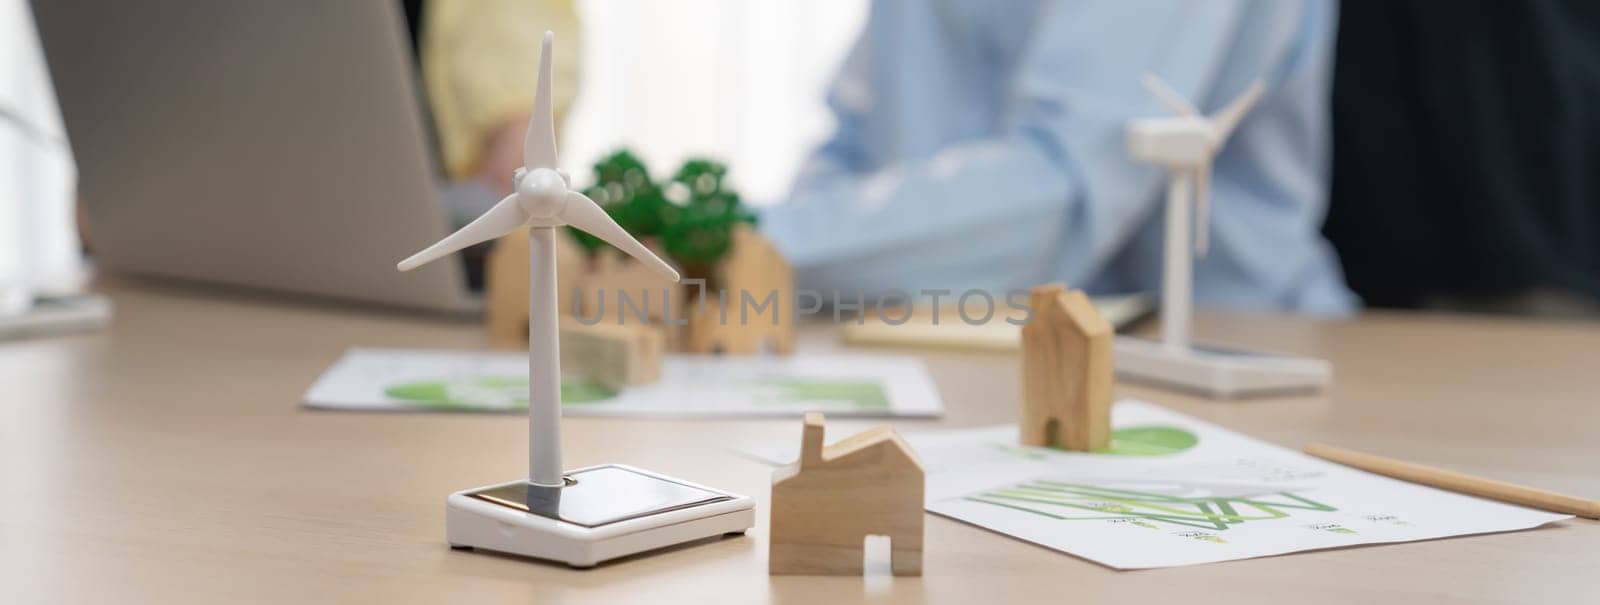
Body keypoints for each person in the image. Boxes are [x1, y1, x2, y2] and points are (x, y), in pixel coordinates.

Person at [760, 0, 1356, 315]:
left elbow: (1063, 194)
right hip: (937, 344)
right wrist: (748, 263)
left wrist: (742, 244)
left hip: (1225, 351)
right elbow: (854, 140)